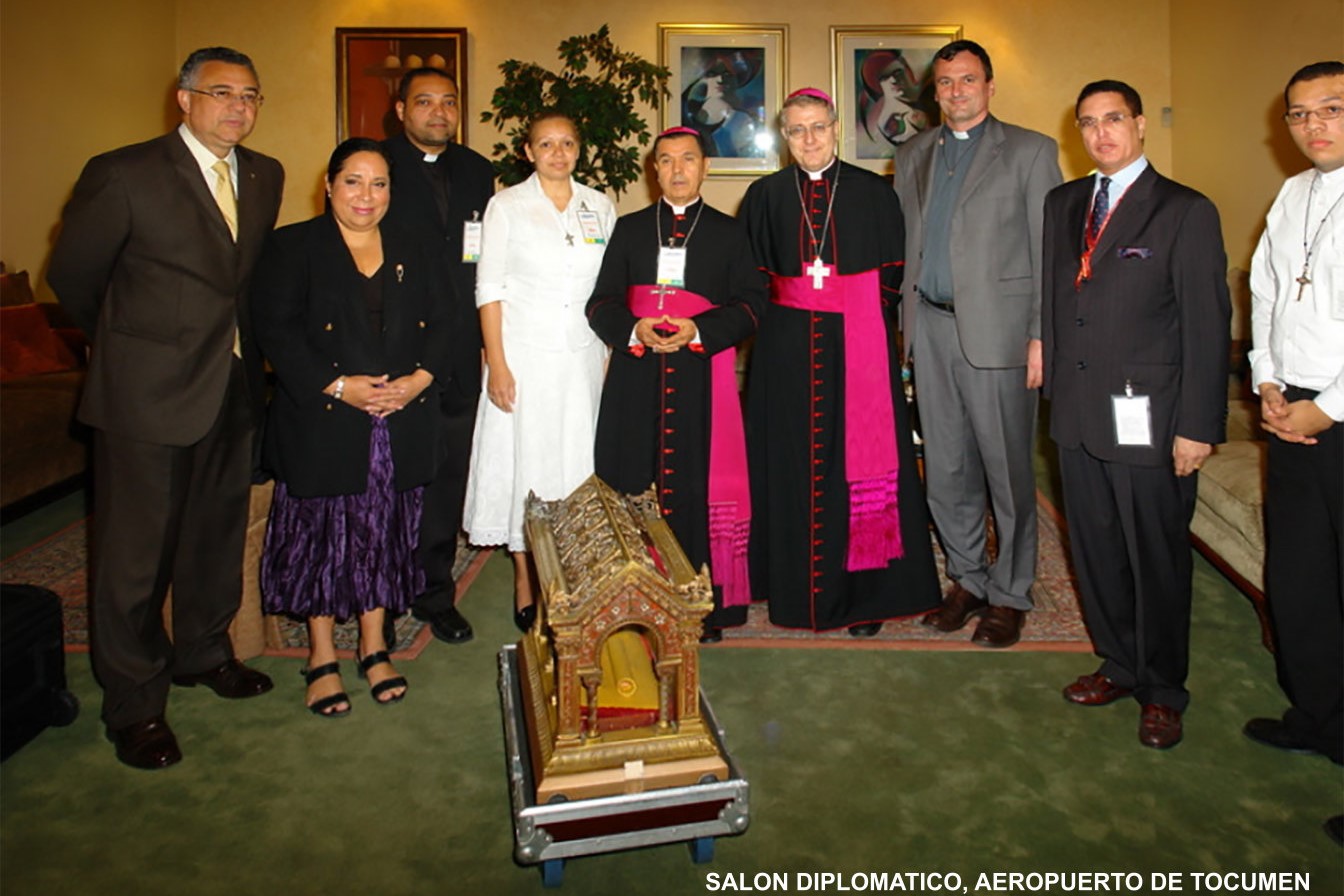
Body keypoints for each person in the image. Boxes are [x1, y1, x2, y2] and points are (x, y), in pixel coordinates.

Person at [47, 47, 284, 769]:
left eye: (250, 95)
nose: (238, 107)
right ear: (184, 99)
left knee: (213, 536)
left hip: (232, 386)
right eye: (221, 92)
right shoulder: (124, 173)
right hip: (144, 396)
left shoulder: (266, 174)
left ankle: (203, 653)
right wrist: (132, 348)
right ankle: (135, 703)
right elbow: (75, 277)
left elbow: (241, 283)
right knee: (134, 558)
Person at [1043, 80, 1229, 750]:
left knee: (1155, 558)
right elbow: (1056, 300)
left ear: (1141, 125)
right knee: (1095, 551)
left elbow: (1208, 325)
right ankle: (1119, 665)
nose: (1101, 134)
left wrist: (1198, 426)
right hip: (1078, 414)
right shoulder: (1064, 203)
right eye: (1088, 122)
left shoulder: (1184, 210)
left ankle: (1163, 690)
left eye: (1114, 119)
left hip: (1151, 419)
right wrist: (1052, 384)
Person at [251, 139, 448, 715]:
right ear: (330, 185)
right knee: (322, 538)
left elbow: (446, 319)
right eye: (354, 181)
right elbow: (276, 330)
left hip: (398, 418)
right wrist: (339, 386)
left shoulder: (415, 244)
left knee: (384, 534)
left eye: (379, 183)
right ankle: (320, 655)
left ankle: (372, 645)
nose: (367, 195)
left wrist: (418, 380)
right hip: (324, 418)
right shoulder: (292, 246)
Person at [740, 89, 941, 635]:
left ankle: (866, 595)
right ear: (784, 137)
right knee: (787, 461)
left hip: (858, 349)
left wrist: (850, 313)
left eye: (818, 127)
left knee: (859, 466)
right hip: (784, 351)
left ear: (836, 129)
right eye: (797, 130)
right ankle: (786, 583)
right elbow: (750, 276)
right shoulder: (764, 196)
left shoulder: (874, 193)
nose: (809, 139)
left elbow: (894, 271)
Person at [894, 40, 1062, 649]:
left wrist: (1042, 335)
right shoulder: (912, 154)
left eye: (968, 80)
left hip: (1002, 335)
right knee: (946, 467)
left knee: (1007, 473)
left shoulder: (1030, 151)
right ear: (933, 92)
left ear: (989, 86)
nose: (956, 92)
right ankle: (966, 579)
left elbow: (1050, 251)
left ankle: (1010, 594)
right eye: (946, 83)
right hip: (931, 328)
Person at [587, 127, 766, 642]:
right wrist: (634, 329)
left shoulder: (730, 233)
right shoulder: (629, 229)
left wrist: (700, 330)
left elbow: (753, 303)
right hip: (636, 376)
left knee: (694, 486)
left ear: (705, 167)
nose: (677, 169)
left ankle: (698, 605)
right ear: (655, 171)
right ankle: (633, 601)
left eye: (688, 159)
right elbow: (601, 303)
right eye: (666, 160)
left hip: (700, 378)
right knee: (631, 481)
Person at [462, 113, 616, 631]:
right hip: (523, 357)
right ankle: (526, 576)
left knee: (576, 464)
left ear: (579, 149)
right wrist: (497, 364)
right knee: (526, 467)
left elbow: (609, 289)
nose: (557, 153)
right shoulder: (507, 206)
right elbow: (489, 288)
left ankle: (573, 570)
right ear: (528, 152)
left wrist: (609, 353)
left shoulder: (599, 206)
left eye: (567, 143)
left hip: (583, 355)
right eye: (546, 144)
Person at [1243, 62, 1344, 802]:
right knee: (1300, 580)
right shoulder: (1293, 192)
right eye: (1300, 114)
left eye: (1331, 109)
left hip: (1337, 413)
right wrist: (1269, 381)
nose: (1314, 125)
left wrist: (1329, 407)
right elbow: (1266, 291)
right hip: (1292, 409)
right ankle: (1320, 718)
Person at [381, 67, 496, 645]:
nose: (439, 112)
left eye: (448, 102)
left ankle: (434, 592)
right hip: (394, 347)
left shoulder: (477, 169)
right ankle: (380, 591)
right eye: (424, 102)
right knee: (389, 476)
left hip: (460, 346)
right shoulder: (376, 165)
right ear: (401, 110)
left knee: (449, 475)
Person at [857, 51, 930, 158]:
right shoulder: (886, 119)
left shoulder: (918, 101)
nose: (893, 80)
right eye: (884, 77)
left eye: (897, 73)